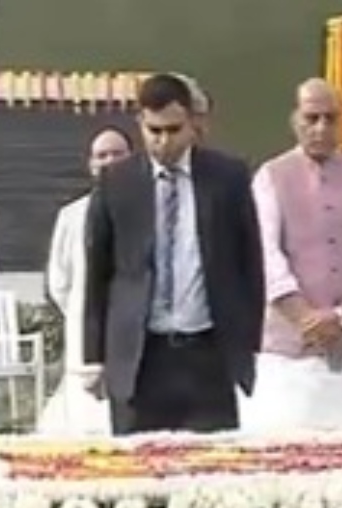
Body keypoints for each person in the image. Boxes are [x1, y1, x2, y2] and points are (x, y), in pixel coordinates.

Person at [83, 73, 265, 433]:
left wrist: (248, 341)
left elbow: (250, 262)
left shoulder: (227, 177)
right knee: (138, 471)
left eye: (173, 129)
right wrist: (94, 356)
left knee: (211, 471)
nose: (163, 142)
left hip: (207, 353)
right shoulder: (116, 183)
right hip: (140, 356)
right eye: (154, 131)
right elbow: (98, 273)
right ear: (140, 124)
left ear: (193, 124)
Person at [244, 78, 342, 431]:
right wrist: (311, 323)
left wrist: (341, 318)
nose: (321, 128)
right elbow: (265, 257)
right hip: (289, 359)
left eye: (330, 118)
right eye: (312, 118)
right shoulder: (270, 178)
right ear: (295, 120)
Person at [38, 126, 133, 435]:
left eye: (117, 154)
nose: (108, 161)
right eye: (101, 155)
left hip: (135, 340)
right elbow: (59, 280)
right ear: (90, 164)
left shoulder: (148, 212)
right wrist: (87, 315)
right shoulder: (71, 216)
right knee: (86, 431)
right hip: (85, 346)